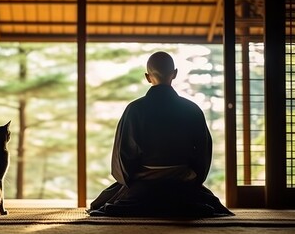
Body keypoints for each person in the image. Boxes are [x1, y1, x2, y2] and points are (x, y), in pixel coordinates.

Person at [87, 51, 233, 217]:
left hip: (144, 184)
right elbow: (203, 153)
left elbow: (123, 155)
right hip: (182, 182)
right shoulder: (192, 109)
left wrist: (131, 179)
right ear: (175, 74)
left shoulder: (134, 110)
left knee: (104, 204)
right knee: (204, 205)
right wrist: (192, 177)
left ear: (147, 77)